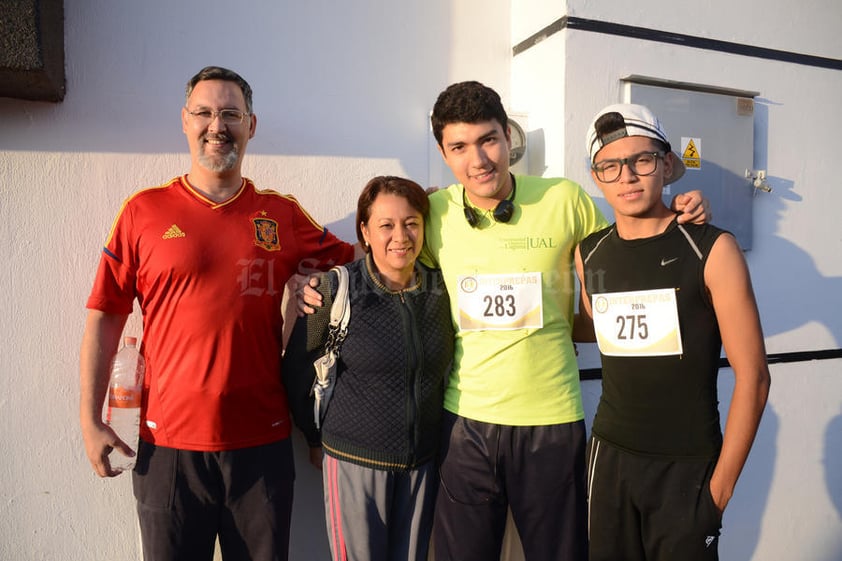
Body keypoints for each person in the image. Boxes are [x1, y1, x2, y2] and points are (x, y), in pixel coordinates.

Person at [299, 80, 709, 561]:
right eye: (460, 147)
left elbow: (629, 246)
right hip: (463, 425)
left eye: (489, 139)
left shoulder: (565, 199)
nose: (479, 159)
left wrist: (679, 212)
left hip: (552, 422)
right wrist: (321, 286)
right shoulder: (434, 213)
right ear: (443, 153)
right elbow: (385, 258)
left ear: (508, 137)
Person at [79, 66, 357, 561]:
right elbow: (104, 315)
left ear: (251, 125)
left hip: (263, 444)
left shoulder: (282, 215)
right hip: (166, 446)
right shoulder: (143, 212)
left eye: (231, 113)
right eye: (204, 113)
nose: (216, 125)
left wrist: (423, 226)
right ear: (184, 121)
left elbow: (365, 262)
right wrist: (89, 418)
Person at [575, 103, 770, 560]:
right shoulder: (590, 252)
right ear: (596, 176)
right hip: (609, 463)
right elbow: (592, 329)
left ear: (666, 164)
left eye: (641, 160)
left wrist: (718, 493)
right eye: (610, 166)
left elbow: (755, 378)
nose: (627, 176)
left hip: (688, 469)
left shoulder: (712, 248)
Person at [284, 175, 455, 561]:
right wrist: (313, 438)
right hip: (355, 463)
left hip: (423, 464)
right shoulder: (333, 290)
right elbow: (297, 372)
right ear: (364, 230)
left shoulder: (442, 291)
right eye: (386, 225)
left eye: (412, 222)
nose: (401, 236)